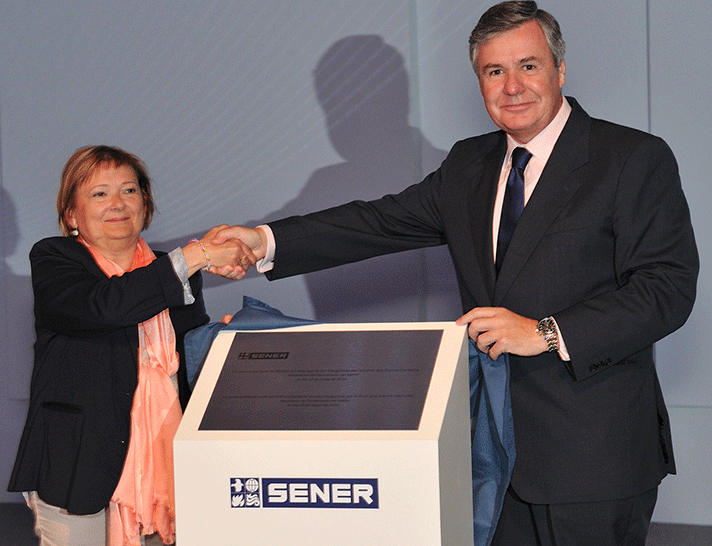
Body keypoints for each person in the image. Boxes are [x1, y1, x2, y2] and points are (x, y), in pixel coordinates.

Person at [209, 2, 699, 544]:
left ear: (560, 70)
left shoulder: (631, 157)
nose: (512, 86)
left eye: (528, 66)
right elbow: (377, 222)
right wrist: (264, 241)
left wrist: (545, 331)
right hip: (491, 457)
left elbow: (666, 289)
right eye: (494, 71)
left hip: (592, 457)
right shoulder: (470, 164)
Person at [8, 145, 253, 546]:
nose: (118, 203)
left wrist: (224, 341)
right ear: (72, 214)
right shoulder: (55, 259)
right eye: (99, 193)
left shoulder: (175, 271)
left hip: (166, 456)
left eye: (130, 190)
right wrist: (194, 255)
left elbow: (189, 350)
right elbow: (107, 307)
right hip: (77, 462)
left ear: (145, 203)